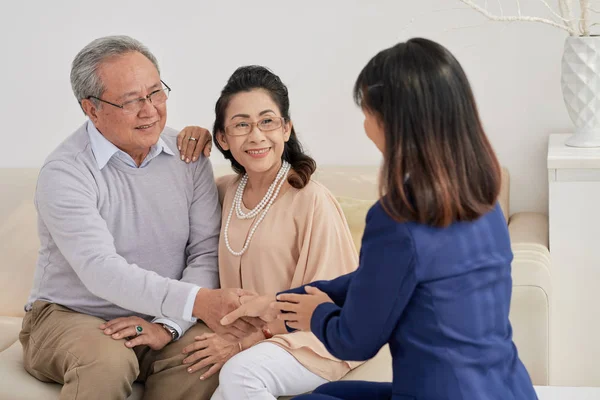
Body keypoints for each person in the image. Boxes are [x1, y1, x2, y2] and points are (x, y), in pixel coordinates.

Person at [220, 38, 539, 400]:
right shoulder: (482, 200)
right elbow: (377, 279)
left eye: (367, 112)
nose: (365, 125)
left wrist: (317, 314)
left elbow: (355, 341)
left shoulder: (397, 219)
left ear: (395, 122)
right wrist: (281, 302)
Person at [20, 35, 260, 400]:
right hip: (71, 315)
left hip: (161, 315)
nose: (150, 110)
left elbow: (205, 252)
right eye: (131, 100)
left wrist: (168, 326)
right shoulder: (65, 172)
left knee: (206, 357)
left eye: (155, 93)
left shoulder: (188, 156)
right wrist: (198, 302)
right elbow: (100, 269)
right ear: (91, 109)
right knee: (107, 361)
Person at [176, 66, 362, 400]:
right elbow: (169, 205)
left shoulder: (311, 200)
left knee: (241, 373)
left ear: (286, 129)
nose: (256, 136)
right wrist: (189, 137)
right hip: (255, 341)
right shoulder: (222, 193)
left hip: (310, 338)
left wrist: (244, 341)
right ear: (223, 138)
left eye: (267, 121)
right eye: (241, 125)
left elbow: (329, 300)